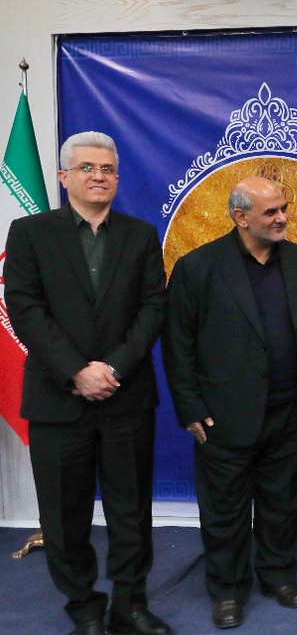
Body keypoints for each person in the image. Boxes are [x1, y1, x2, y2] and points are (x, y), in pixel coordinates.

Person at [4, 132, 170, 635]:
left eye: (107, 169)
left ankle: (130, 606)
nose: (99, 176)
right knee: (63, 515)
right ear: (63, 177)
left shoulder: (141, 235)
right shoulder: (29, 232)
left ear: (117, 177)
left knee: (131, 511)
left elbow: (154, 308)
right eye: (87, 168)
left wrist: (112, 369)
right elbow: (25, 309)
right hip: (57, 398)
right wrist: (77, 370)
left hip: (126, 396)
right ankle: (84, 609)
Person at [163, 176, 297, 630]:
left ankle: (278, 576)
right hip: (223, 415)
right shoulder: (198, 266)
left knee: (280, 503)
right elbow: (178, 343)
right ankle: (228, 590)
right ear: (241, 217)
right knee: (225, 511)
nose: (282, 218)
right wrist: (189, 406)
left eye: (283, 208)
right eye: (271, 212)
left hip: (290, 410)